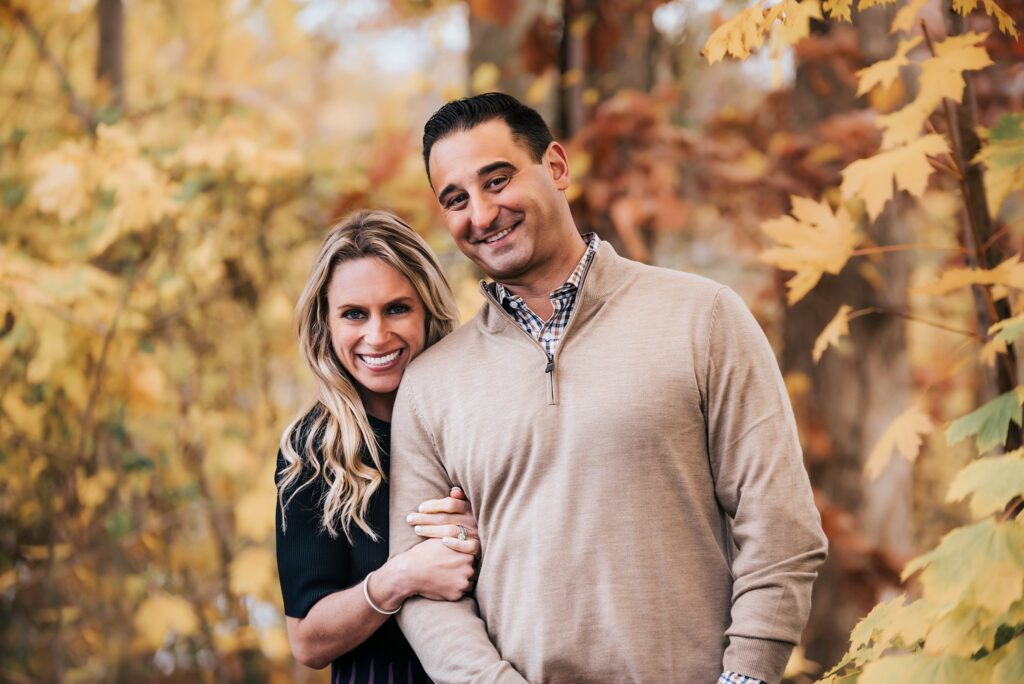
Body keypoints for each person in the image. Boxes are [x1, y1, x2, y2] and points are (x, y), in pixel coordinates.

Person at [388, 93, 828, 684]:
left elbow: (780, 524)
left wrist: (747, 674)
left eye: (498, 180)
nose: (483, 214)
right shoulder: (430, 384)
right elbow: (423, 589)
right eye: (457, 199)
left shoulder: (703, 317)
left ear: (557, 167)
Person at [275, 210, 481, 682]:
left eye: (396, 308)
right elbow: (307, 640)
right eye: (354, 314)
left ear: (428, 309)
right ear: (325, 325)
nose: (376, 336)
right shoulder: (313, 452)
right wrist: (400, 577)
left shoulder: (479, 417)